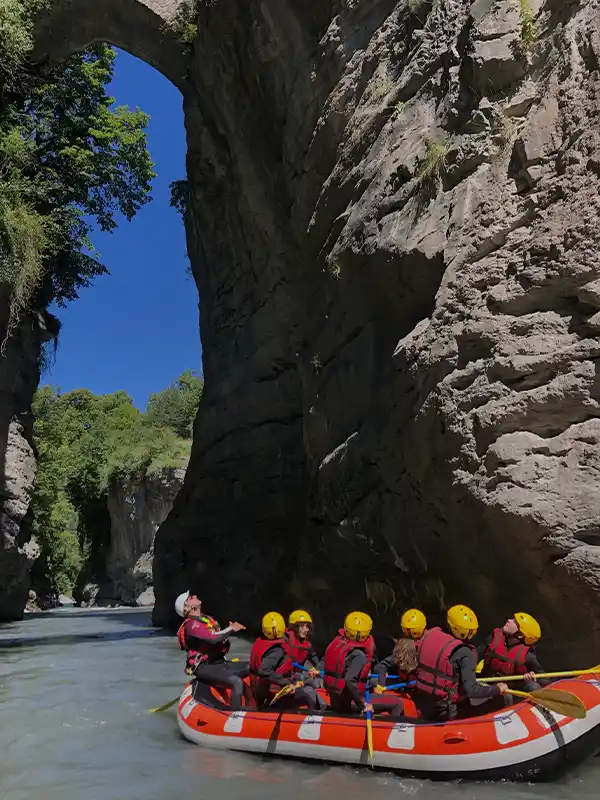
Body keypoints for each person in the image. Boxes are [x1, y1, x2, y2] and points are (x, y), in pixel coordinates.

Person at [415, 604, 508, 721]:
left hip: (423, 704)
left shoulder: (428, 635)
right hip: (447, 711)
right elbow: (473, 690)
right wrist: (498, 689)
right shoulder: (465, 653)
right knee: (501, 699)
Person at [323, 611, 404, 718]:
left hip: (336, 700)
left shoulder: (338, 645)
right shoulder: (359, 655)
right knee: (397, 703)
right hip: (350, 703)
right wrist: (363, 704)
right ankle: (392, 731)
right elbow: (349, 680)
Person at [175, 591, 247, 709]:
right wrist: (231, 629)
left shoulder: (205, 619)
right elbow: (213, 638)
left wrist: (229, 631)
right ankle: (236, 714)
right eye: (191, 597)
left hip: (218, 662)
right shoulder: (191, 625)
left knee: (252, 667)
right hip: (204, 667)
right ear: (186, 607)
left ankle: (254, 706)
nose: (196, 596)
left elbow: (217, 636)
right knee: (236, 682)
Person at [250, 612, 318, 711]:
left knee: (313, 684)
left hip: (287, 682)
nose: (306, 629)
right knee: (309, 692)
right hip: (274, 691)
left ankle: (321, 712)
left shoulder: (304, 644)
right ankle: (313, 721)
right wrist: (286, 683)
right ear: (294, 627)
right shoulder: (280, 646)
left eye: (307, 626)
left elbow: (315, 661)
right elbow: (265, 670)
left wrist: (313, 669)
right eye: (302, 626)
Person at [478, 613, 545, 697]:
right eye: (512, 619)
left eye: (515, 622)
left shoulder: (527, 656)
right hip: (487, 682)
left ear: (520, 635)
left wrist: (534, 677)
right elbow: (475, 657)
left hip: (512, 689)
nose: (509, 620)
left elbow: (543, 678)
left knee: (533, 687)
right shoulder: (492, 638)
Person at [373, 608, 427, 691]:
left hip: (410, 684)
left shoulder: (402, 647)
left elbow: (380, 667)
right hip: (411, 685)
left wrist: (381, 684)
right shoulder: (426, 645)